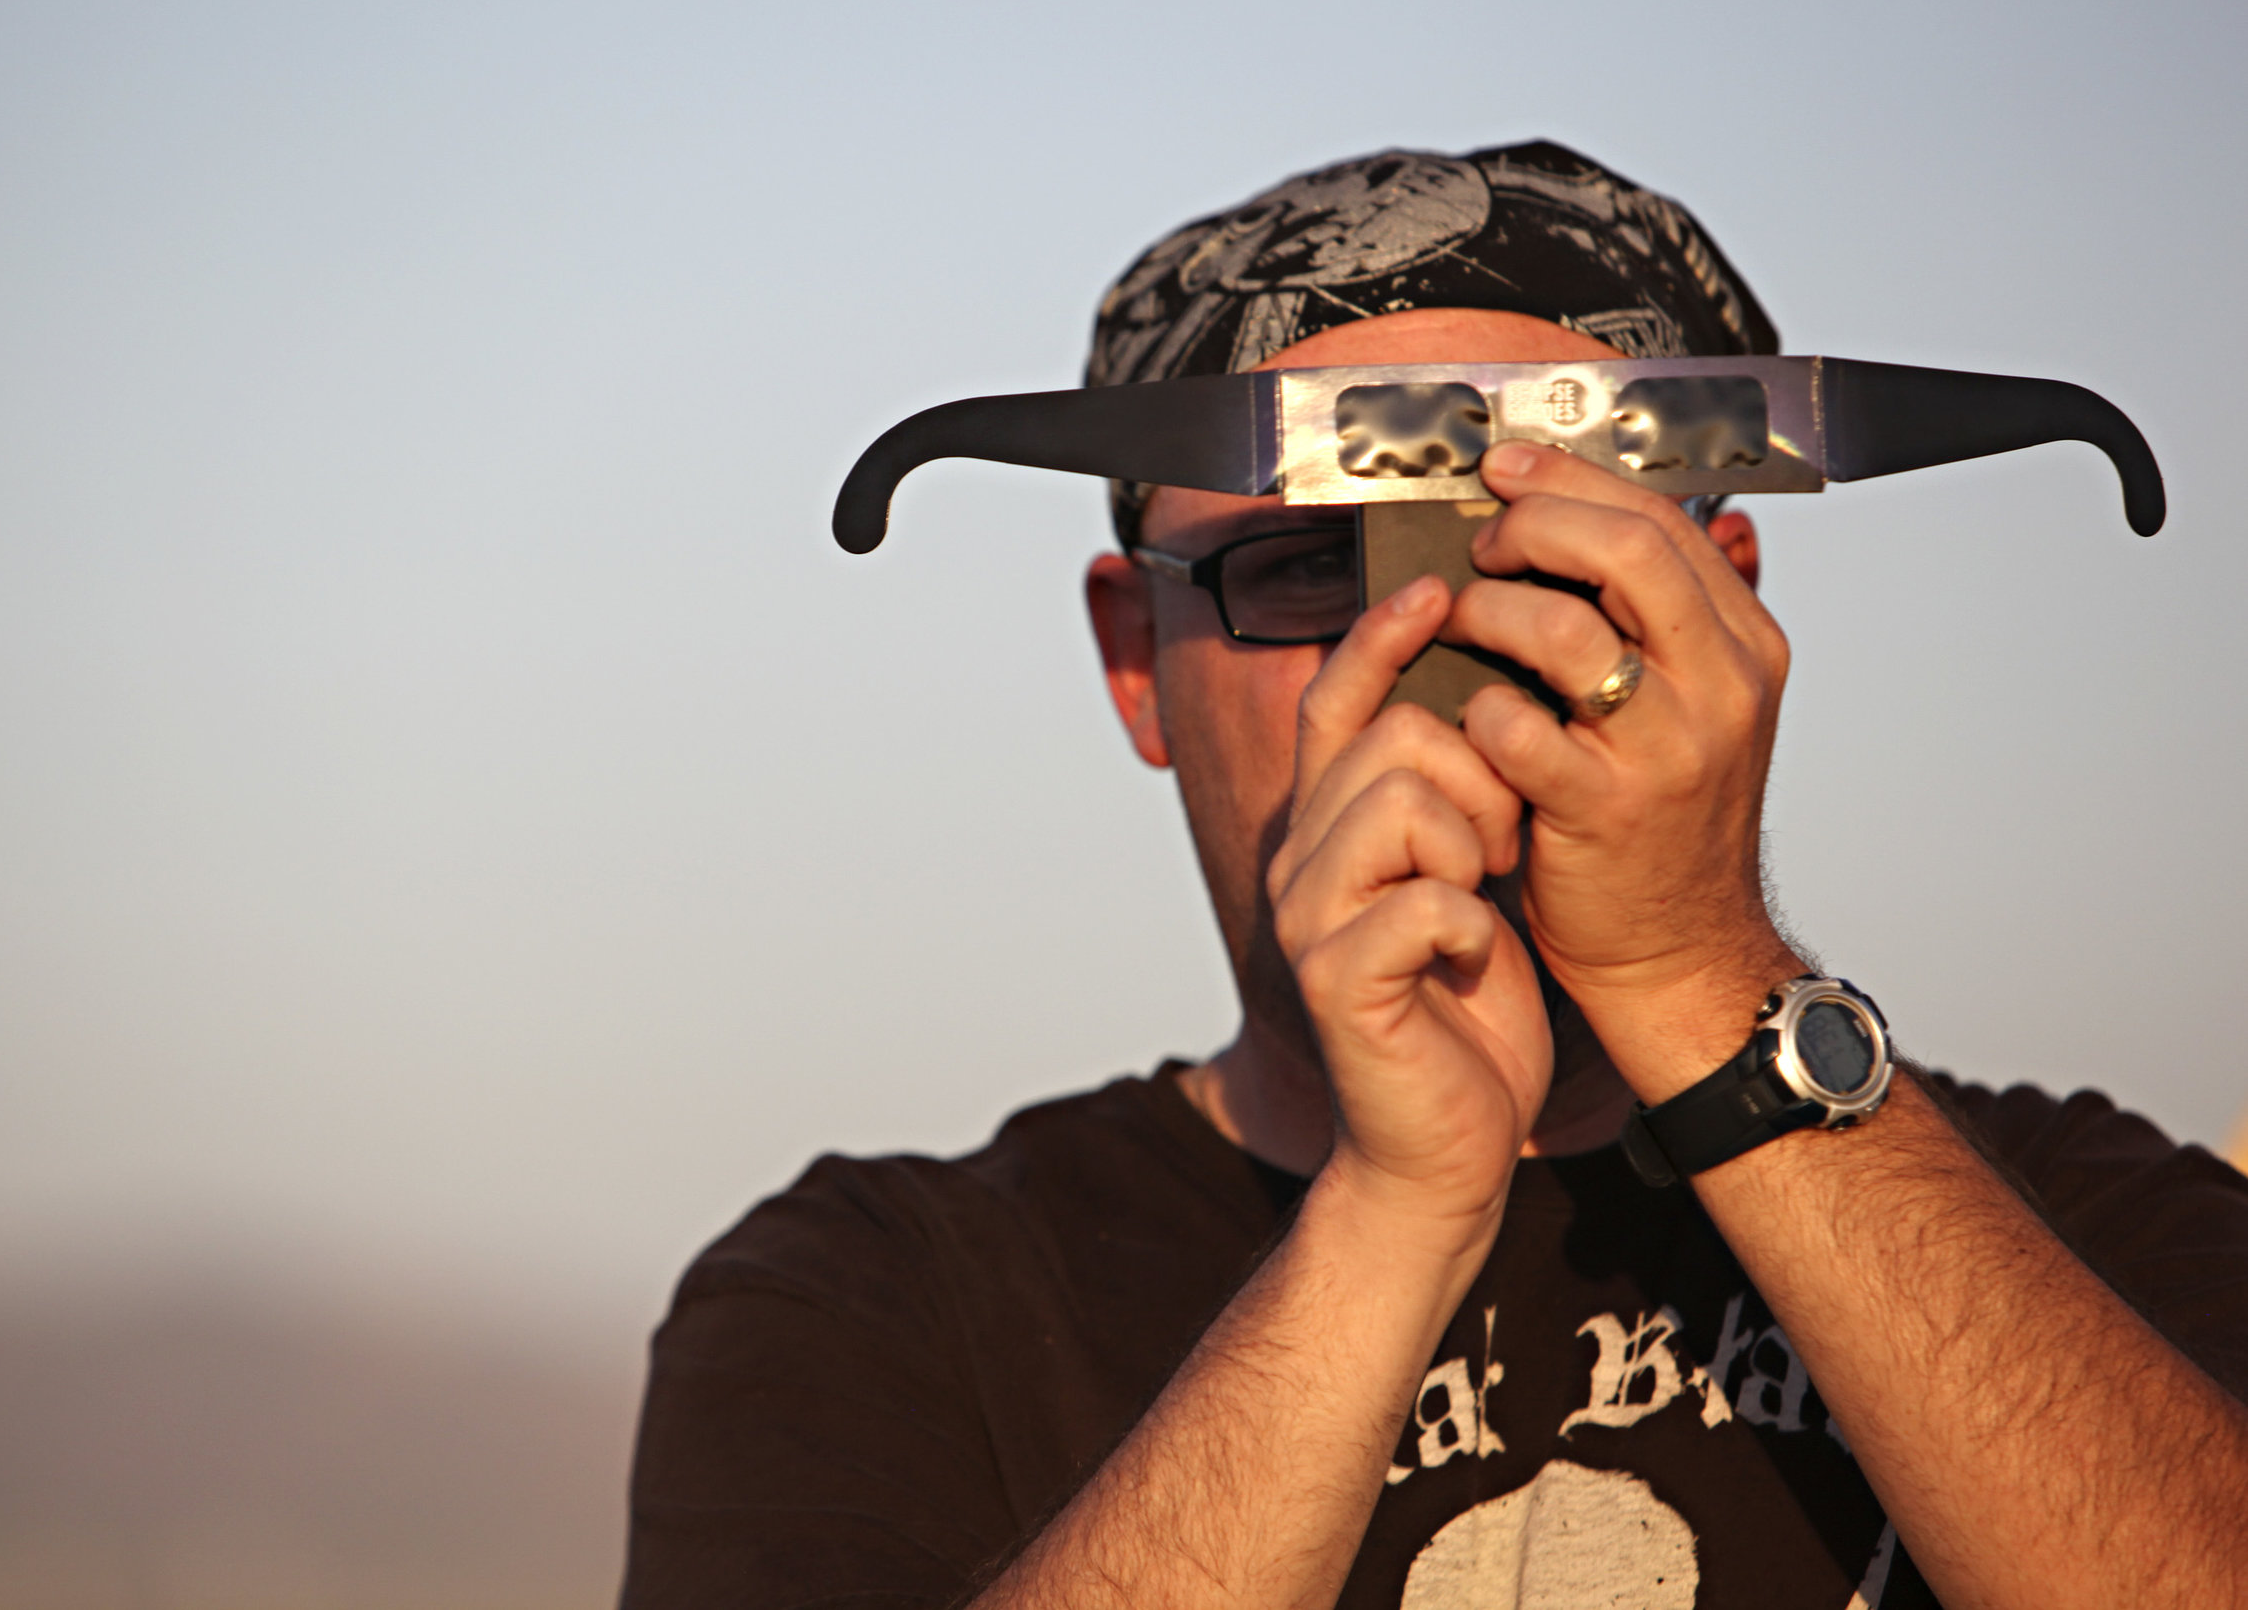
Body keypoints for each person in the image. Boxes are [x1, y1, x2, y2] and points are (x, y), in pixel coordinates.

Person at [621, 144, 2248, 1609]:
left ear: (1725, 611)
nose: (1440, 646)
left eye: (1552, 552)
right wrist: (1394, 1217)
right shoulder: (878, 1300)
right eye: (1308, 563)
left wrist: (1699, 980)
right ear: (1137, 664)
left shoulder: (2098, 1231)